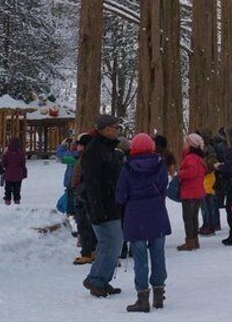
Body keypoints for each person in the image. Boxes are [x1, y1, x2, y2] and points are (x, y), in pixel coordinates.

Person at [116, 133, 170, 313]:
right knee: (158, 254)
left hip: (135, 215)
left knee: (139, 258)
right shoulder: (160, 165)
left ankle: (142, 297)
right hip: (157, 213)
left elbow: (120, 195)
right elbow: (164, 188)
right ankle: (159, 292)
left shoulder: (127, 168)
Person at [81, 114, 125, 297]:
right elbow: (92, 183)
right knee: (110, 243)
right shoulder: (95, 150)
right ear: (106, 129)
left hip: (111, 204)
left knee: (113, 244)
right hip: (102, 206)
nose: (118, 131)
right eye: (116, 127)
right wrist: (97, 208)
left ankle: (102, 279)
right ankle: (95, 279)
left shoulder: (108, 149)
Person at [177, 133, 207, 251]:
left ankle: (190, 241)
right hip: (198, 192)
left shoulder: (190, 158)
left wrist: (179, 174)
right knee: (193, 217)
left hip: (189, 192)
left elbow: (191, 172)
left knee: (188, 218)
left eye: (186, 143)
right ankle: (194, 240)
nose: (184, 145)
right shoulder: (199, 158)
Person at [71, 133, 97, 265]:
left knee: (84, 225)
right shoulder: (90, 156)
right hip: (89, 195)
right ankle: (92, 251)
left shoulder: (86, 158)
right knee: (90, 225)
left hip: (85, 196)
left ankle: (88, 252)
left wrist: (78, 189)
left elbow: (84, 177)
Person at [199, 129, 221, 236]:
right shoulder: (202, 149)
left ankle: (210, 226)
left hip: (208, 181)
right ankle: (206, 224)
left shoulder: (210, 150)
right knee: (204, 206)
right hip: (203, 182)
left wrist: (201, 169)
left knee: (208, 206)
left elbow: (211, 164)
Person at [1, 137, 27, 205]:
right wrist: (24, 173)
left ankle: (7, 203)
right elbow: (23, 165)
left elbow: (3, 163)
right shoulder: (20, 154)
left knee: (8, 190)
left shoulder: (6, 153)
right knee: (17, 190)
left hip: (8, 175)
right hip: (18, 175)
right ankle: (17, 202)